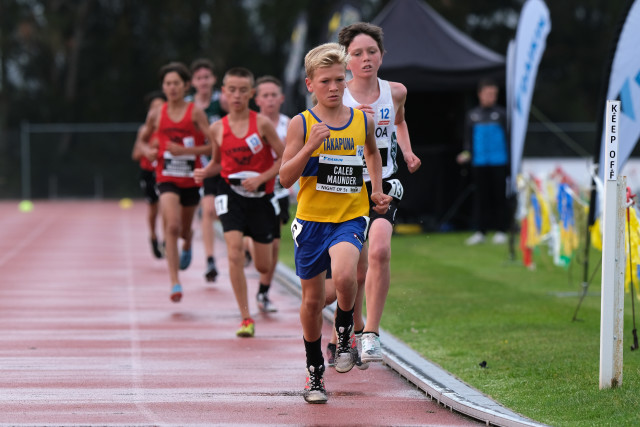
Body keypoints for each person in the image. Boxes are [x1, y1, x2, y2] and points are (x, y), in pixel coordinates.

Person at [278, 42, 391, 404]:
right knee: (312, 302)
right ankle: (314, 371)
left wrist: (377, 189)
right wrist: (308, 147)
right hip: (311, 221)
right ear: (310, 84)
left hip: (350, 216)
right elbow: (285, 178)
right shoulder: (301, 123)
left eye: (339, 80)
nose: (333, 87)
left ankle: (344, 335)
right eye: (325, 81)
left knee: (345, 276)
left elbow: (372, 152)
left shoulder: (362, 120)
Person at [327, 22, 422, 365]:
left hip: (385, 183)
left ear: (382, 55)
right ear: (346, 60)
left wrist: (407, 152)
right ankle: (349, 329)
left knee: (380, 251)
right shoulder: (337, 96)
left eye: (372, 52)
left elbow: (399, 122)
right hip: (347, 185)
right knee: (354, 271)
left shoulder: (396, 91)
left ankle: (371, 334)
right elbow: (323, 137)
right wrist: (353, 122)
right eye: (357, 53)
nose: (366, 58)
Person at [194, 67, 284, 338]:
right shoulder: (217, 128)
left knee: (263, 266)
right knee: (233, 253)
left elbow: (284, 158)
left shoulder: (263, 124)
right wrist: (204, 172)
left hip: (260, 197)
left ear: (251, 94)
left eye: (242, 90)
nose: (236, 95)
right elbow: (217, 162)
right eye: (231, 90)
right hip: (229, 193)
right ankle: (246, 317)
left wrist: (262, 178)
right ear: (224, 92)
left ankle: (250, 244)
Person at [140, 61, 218, 302]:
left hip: (191, 178)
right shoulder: (156, 113)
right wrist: (148, 151)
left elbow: (213, 145)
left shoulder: (195, 112)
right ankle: (175, 282)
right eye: (167, 83)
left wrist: (187, 151)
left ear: (185, 86)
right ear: (163, 86)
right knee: (171, 226)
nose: (172, 88)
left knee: (183, 229)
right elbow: (142, 140)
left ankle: (188, 240)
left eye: (176, 83)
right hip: (166, 177)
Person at [252, 75, 291, 313]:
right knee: (253, 240)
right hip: (251, 191)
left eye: (273, 95)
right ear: (257, 100)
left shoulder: (291, 125)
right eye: (265, 96)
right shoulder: (249, 125)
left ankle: (264, 291)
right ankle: (251, 248)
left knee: (274, 244)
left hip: (278, 191)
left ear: (281, 98)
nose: (269, 100)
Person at [185, 58, 226, 282]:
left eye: (206, 77)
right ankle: (210, 260)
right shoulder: (187, 106)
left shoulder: (222, 101)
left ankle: (244, 246)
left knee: (225, 211)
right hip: (205, 165)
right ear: (193, 82)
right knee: (208, 210)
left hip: (229, 163)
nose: (203, 82)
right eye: (199, 78)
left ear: (213, 79)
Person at [457, 78, 509, 246]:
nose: (491, 97)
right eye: (488, 93)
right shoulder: (472, 115)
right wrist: (466, 154)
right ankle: (480, 231)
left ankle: (501, 230)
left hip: (499, 161)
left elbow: (509, 138)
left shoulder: (502, 114)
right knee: (481, 198)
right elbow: (468, 141)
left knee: (499, 196)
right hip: (479, 162)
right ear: (480, 94)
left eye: (494, 94)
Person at [131, 90, 166, 259]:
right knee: (153, 208)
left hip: (164, 172)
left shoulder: (169, 128)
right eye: (154, 107)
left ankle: (167, 240)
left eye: (160, 106)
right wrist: (148, 150)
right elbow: (135, 155)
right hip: (148, 172)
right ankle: (153, 236)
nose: (157, 110)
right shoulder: (144, 130)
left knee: (167, 206)